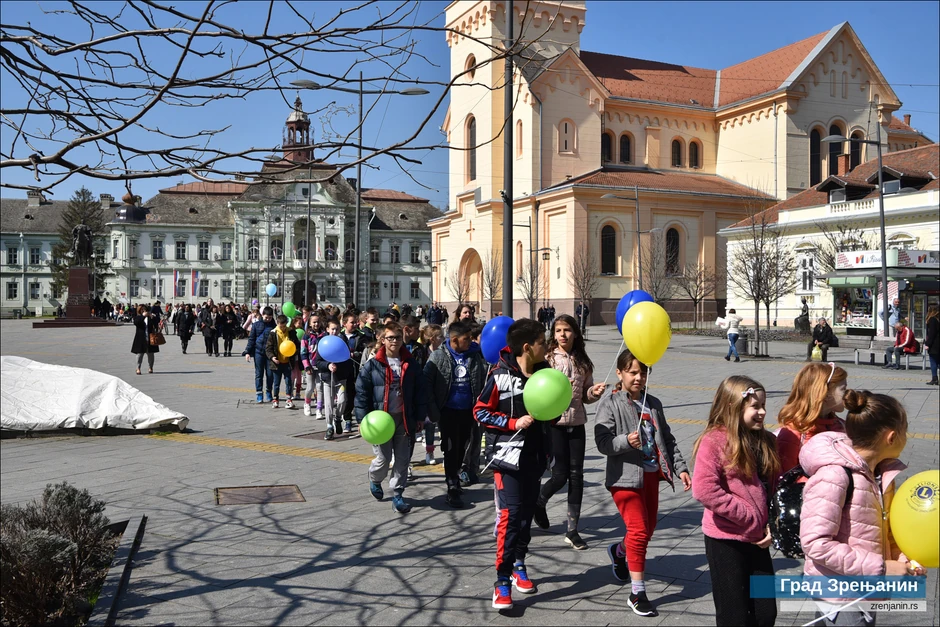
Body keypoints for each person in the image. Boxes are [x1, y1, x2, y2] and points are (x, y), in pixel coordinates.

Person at [800, 390, 925, 626]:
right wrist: (881, 568)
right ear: (891, 437)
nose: (906, 437)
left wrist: (903, 561)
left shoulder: (882, 475)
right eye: (905, 431)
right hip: (840, 595)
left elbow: (884, 531)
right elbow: (815, 543)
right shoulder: (835, 476)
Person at [594, 349, 691, 617]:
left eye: (643, 373)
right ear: (619, 373)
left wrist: (680, 468)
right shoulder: (610, 403)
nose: (638, 377)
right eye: (632, 372)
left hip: (650, 476)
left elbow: (667, 440)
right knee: (638, 530)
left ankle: (619, 551)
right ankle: (637, 592)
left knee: (647, 531)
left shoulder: (653, 403)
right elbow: (602, 442)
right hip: (624, 478)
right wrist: (625, 441)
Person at [474, 319, 549, 610]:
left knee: (526, 517)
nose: (547, 346)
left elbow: (552, 412)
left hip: (535, 457)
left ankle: (519, 564)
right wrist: (512, 423)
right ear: (528, 347)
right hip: (507, 459)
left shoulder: (545, 373)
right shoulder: (499, 375)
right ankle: (502, 581)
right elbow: (480, 412)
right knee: (511, 516)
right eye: (543, 342)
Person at [692, 376, 779, 627]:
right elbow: (704, 489)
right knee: (734, 615)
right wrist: (749, 517)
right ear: (733, 407)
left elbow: (775, 487)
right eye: (755, 406)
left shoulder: (767, 440)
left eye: (764, 405)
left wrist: (773, 523)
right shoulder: (714, 441)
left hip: (759, 540)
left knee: (765, 613)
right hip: (725, 540)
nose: (762, 412)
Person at [533, 314, 606, 550]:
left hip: (577, 423)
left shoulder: (582, 361)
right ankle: (539, 501)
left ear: (575, 333)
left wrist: (594, 393)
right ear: (553, 334)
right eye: (558, 330)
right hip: (554, 424)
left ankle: (572, 530)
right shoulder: (547, 359)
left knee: (577, 477)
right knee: (559, 476)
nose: (562, 334)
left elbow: (585, 395)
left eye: (567, 330)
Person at [358, 321, 427, 514]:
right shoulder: (373, 365)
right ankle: (375, 478)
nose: (394, 341)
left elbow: (420, 391)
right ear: (383, 340)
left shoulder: (410, 363)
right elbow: (362, 393)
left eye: (397, 337)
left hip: (404, 418)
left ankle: (397, 493)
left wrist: (420, 416)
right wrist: (362, 420)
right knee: (383, 458)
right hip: (380, 421)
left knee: (403, 459)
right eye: (390, 338)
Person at [425, 320, 487, 508]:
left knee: (463, 447)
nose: (470, 342)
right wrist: (433, 410)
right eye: (466, 339)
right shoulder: (438, 356)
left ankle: (456, 476)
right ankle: (452, 485)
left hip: (468, 410)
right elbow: (426, 384)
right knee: (451, 448)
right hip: (447, 411)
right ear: (454, 340)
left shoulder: (474, 355)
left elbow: (482, 379)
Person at [775, 362, 848, 475]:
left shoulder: (843, 426)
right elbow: (786, 476)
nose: (848, 394)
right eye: (843, 389)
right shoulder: (793, 433)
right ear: (825, 393)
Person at [265, 314, 300, 409]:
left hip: (288, 362)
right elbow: (268, 348)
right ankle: (275, 399)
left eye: (284, 326)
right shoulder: (273, 333)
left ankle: (289, 399)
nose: (283, 328)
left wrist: (294, 351)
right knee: (276, 382)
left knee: (289, 381)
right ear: (277, 323)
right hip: (277, 363)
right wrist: (272, 357)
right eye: (281, 326)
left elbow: (297, 344)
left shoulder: (291, 332)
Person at [243, 307, 276, 403]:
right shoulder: (256, 325)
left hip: (270, 354)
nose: (268, 319)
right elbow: (251, 339)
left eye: (270, 317)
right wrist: (247, 352)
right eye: (266, 317)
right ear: (262, 315)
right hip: (258, 352)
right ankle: (259, 393)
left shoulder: (274, 326)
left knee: (270, 374)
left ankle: (269, 391)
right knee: (259, 374)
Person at [300, 316, 323, 417]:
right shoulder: (306, 337)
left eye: (318, 322)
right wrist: (307, 366)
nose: (316, 324)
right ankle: (307, 403)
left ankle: (319, 408)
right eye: (314, 322)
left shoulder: (324, 335)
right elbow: (303, 353)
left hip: (321, 366)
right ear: (309, 323)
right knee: (310, 387)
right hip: (310, 365)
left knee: (319, 387)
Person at [131, 304, 160, 375]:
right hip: (141, 338)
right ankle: (138, 368)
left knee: (150, 354)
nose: (143, 310)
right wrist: (143, 316)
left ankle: (150, 367)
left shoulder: (149, 317)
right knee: (139, 354)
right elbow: (136, 323)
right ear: (139, 310)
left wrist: (152, 317)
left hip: (150, 338)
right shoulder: (138, 317)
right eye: (142, 309)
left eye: (144, 309)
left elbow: (156, 324)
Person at [926, 305, 940, 385]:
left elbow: (932, 333)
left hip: (935, 344)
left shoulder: (932, 320)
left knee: (933, 361)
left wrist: (927, 344)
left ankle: (934, 379)